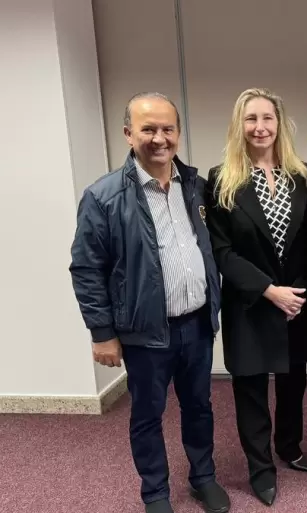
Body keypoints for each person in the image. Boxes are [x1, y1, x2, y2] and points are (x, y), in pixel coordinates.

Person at [69, 93, 230, 513]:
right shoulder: (103, 197)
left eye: (168, 129)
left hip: (196, 324)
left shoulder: (196, 186)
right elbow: (87, 269)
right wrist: (102, 333)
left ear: (178, 133)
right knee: (148, 415)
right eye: (148, 129)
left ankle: (203, 478)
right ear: (128, 134)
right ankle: (155, 493)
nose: (159, 138)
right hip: (144, 332)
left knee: (199, 406)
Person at [204, 88, 307, 506]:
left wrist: (298, 295)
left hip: (297, 302)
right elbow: (222, 251)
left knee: (294, 383)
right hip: (252, 303)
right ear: (239, 126)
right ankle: (261, 469)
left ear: (280, 125)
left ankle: (289, 446)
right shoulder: (221, 180)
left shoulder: (306, 176)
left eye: (267, 118)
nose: (260, 127)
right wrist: (268, 291)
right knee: (251, 390)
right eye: (251, 119)